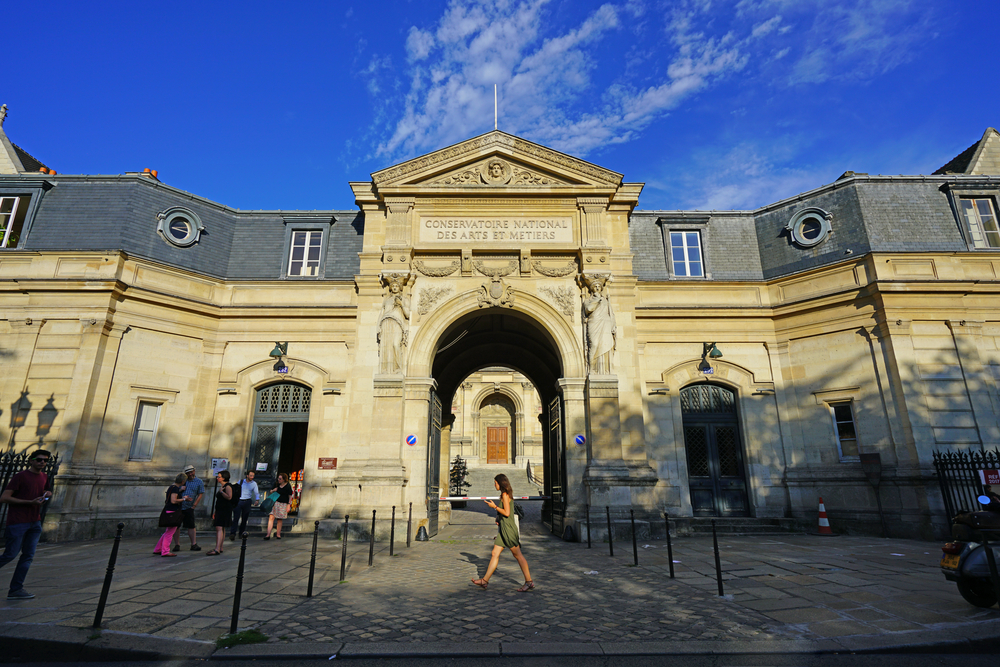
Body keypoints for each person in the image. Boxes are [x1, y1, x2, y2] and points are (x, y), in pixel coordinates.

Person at [0, 449, 52, 600]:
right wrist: (29, 502)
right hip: (18, 521)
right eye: (39, 459)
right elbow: (4, 498)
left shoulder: (44, 476)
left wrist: (47, 495)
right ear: (31, 460)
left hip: (34, 521)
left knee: (28, 556)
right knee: (10, 554)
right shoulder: (20, 476)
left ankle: (16, 589)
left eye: (45, 460)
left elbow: (46, 491)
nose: (42, 462)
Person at [470, 473, 534, 592]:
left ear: (500, 483)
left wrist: (494, 507)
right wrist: (498, 519)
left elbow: (507, 513)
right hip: (503, 529)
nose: (494, 485)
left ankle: (529, 581)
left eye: (495, 483)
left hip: (509, 530)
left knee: (518, 555)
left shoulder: (505, 494)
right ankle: (485, 581)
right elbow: (503, 514)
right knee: (495, 553)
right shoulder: (503, 495)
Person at [377, 275, 410, 374]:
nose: (395, 287)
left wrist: (401, 304)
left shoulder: (404, 299)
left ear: (400, 287)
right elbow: (381, 313)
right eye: (393, 286)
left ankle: (397, 368)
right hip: (386, 323)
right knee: (386, 347)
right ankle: (386, 370)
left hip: (397, 323)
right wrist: (378, 327)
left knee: (396, 345)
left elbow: (407, 314)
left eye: (396, 285)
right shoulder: (386, 300)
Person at [583, 275, 616, 374]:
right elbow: (588, 309)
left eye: (599, 286)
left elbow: (611, 314)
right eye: (595, 286)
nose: (597, 288)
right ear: (592, 288)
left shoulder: (606, 301)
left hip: (605, 323)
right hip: (594, 322)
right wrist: (597, 301)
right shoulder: (588, 301)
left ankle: (605, 369)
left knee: (605, 345)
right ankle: (592, 369)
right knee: (594, 344)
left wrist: (613, 325)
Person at [153, 473, 187, 557]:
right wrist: (184, 499)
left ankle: (158, 549)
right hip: (173, 512)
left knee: (167, 531)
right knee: (170, 532)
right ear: (182, 481)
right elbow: (173, 500)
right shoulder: (175, 488)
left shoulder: (172, 487)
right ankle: (165, 551)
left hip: (169, 510)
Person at [172, 465, 204, 552]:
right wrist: (180, 490)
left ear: (194, 471)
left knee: (191, 525)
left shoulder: (199, 481)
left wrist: (194, 505)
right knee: (176, 526)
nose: (190, 474)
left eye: (192, 472)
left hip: (189, 507)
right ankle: (177, 544)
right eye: (188, 473)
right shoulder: (182, 481)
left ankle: (193, 544)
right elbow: (173, 490)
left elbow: (200, 494)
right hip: (179, 506)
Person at [208, 470, 233, 556]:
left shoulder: (227, 486)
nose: (217, 478)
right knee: (221, 528)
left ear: (223, 478)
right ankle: (220, 547)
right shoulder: (223, 486)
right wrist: (215, 511)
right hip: (220, 509)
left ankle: (217, 548)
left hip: (224, 510)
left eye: (219, 476)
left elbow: (229, 497)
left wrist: (222, 492)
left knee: (219, 528)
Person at [229, 471, 259, 541]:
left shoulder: (254, 483)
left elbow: (256, 492)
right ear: (247, 475)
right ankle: (232, 533)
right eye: (251, 475)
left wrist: (257, 500)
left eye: (253, 476)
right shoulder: (241, 481)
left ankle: (241, 533)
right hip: (239, 501)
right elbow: (235, 488)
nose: (252, 477)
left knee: (244, 519)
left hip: (247, 501)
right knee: (236, 518)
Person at [264, 473, 292, 540]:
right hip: (274, 502)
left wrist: (289, 504)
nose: (278, 480)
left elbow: (290, 495)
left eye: (280, 479)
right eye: (278, 478)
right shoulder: (276, 484)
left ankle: (278, 534)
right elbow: (270, 491)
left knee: (279, 519)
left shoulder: (288, 486)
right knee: (271, 517)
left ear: (284, 479)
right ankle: (268, 534)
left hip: (282, 504)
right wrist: (274, 490)